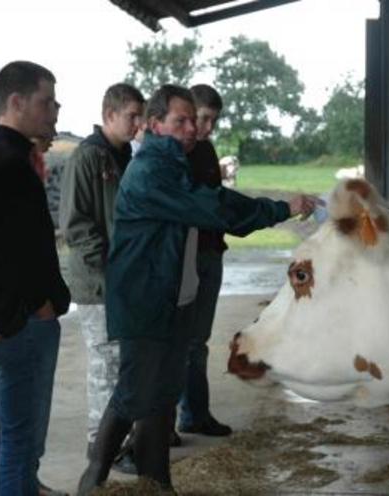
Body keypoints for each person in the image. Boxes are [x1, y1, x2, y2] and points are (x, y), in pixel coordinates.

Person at [77, 84, 318, 495]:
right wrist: (281, 209)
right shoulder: (153, 170)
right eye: (180, 121)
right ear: (154, 125)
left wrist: (277, 209)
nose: (191, 128)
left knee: (162, 395)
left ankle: (157, 483)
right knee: (135, 393)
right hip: (144, 299)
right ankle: (93, 479)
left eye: (193, 120)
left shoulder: (174, 165)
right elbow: (215, 209)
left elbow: (218, 200)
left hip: (172, 296)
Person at [0, 61, 71, 496]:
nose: (54, 109)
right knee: (20, 436)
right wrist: (40, 301)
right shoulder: (9, 162)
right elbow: (16, 249)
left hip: (9, 315)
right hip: (25, 317)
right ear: (16, 102)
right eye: (45, 101)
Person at [59, 83, 144, 458]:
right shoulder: (89, 157)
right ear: (109, 114)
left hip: (122, 279)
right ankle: (101, 444)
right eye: (132, 116)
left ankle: (119, 440)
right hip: (98, 283)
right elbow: (76, 224)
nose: (138, 123)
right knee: (105, 365)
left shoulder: (124, 155)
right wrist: (111, 269)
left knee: (121, 363)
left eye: (141, 115)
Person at [177, 83, 232, 437]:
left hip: (211, 251)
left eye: (213, 121)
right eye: (203, 118)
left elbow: (218, 201)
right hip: (185, 257)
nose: (207, 128)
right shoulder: (174, 154)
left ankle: (195, 413)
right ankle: (173, 420)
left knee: (198, 340)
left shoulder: (207, 151)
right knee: (180, 342)